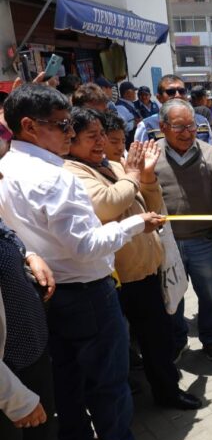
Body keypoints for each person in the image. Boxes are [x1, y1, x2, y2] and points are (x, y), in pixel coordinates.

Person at [0, 84, 172, 440]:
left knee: (68, 381)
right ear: (29, 126)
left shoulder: (7, 165)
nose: (70, 134)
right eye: (63, 126)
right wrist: (134, 224)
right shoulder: (55, 176)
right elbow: (86, 244)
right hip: (86, 292)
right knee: (108, 383)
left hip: (46, 292)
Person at [63, 107, 203, 410]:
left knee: (157, 340)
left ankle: (167, 391)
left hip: (145, 271)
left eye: (103, 135)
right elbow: (107, 205)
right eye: (92, 137)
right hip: (117, 279)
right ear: (70, 140)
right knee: (122, 348)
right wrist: (135, 175)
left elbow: (154, 204)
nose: (101, 142)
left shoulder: (112, 165)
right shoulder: (73, 172)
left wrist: (147, 177)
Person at [154, 99, 212, 363]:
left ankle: (211, 339)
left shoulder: (211, 154)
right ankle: (178, 341)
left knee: (209, 294)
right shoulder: (151, 156)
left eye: (192, 126)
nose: (187, 133)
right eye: (179, 127)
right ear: (163, 127)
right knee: (172, 296)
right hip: (167, 243)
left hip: (204, 241)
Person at [0, 222, 54, 440]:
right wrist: (15, 398)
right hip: (9, 374)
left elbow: (6, 231)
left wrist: (29, 255)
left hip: (32, 351)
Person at [134, 74, 212, 145]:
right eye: (171, 92)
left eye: (182, 91)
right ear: (159, 98)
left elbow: (211, 154)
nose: (177, 95)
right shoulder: (146, 126)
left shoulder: (202, 121)